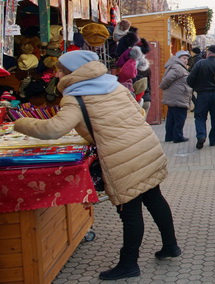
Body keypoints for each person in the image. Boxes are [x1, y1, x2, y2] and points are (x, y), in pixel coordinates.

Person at [14, 50, 180, 281]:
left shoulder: (75, 96)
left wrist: (19, 122)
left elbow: (53, 129)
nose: (56, 73)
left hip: (122, 159)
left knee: (130, 211)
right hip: (145, 148)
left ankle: (129, 264)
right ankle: (170, 246)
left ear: (72, 72)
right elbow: (139, 112)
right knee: (154, 197)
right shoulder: (113, 85)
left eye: (60, 69)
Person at [187, 45, 215, 149]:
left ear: (208, 53)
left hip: (202, 95)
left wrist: (196, 87)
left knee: (200, 117)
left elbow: (190, 79)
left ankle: (201, 135)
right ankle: (214, 140)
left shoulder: (200, 63)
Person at [160, 50, 193, 143]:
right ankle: (178, 137)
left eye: (187, 59)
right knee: (179, 118)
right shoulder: (177, 67)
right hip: (179, 96)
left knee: (171, 117)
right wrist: (162, 86)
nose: (186, 60)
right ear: (178, 58)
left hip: (175, 96)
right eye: (184, 58)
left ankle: (169, 136)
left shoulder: (176, 66)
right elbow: (168, 79)